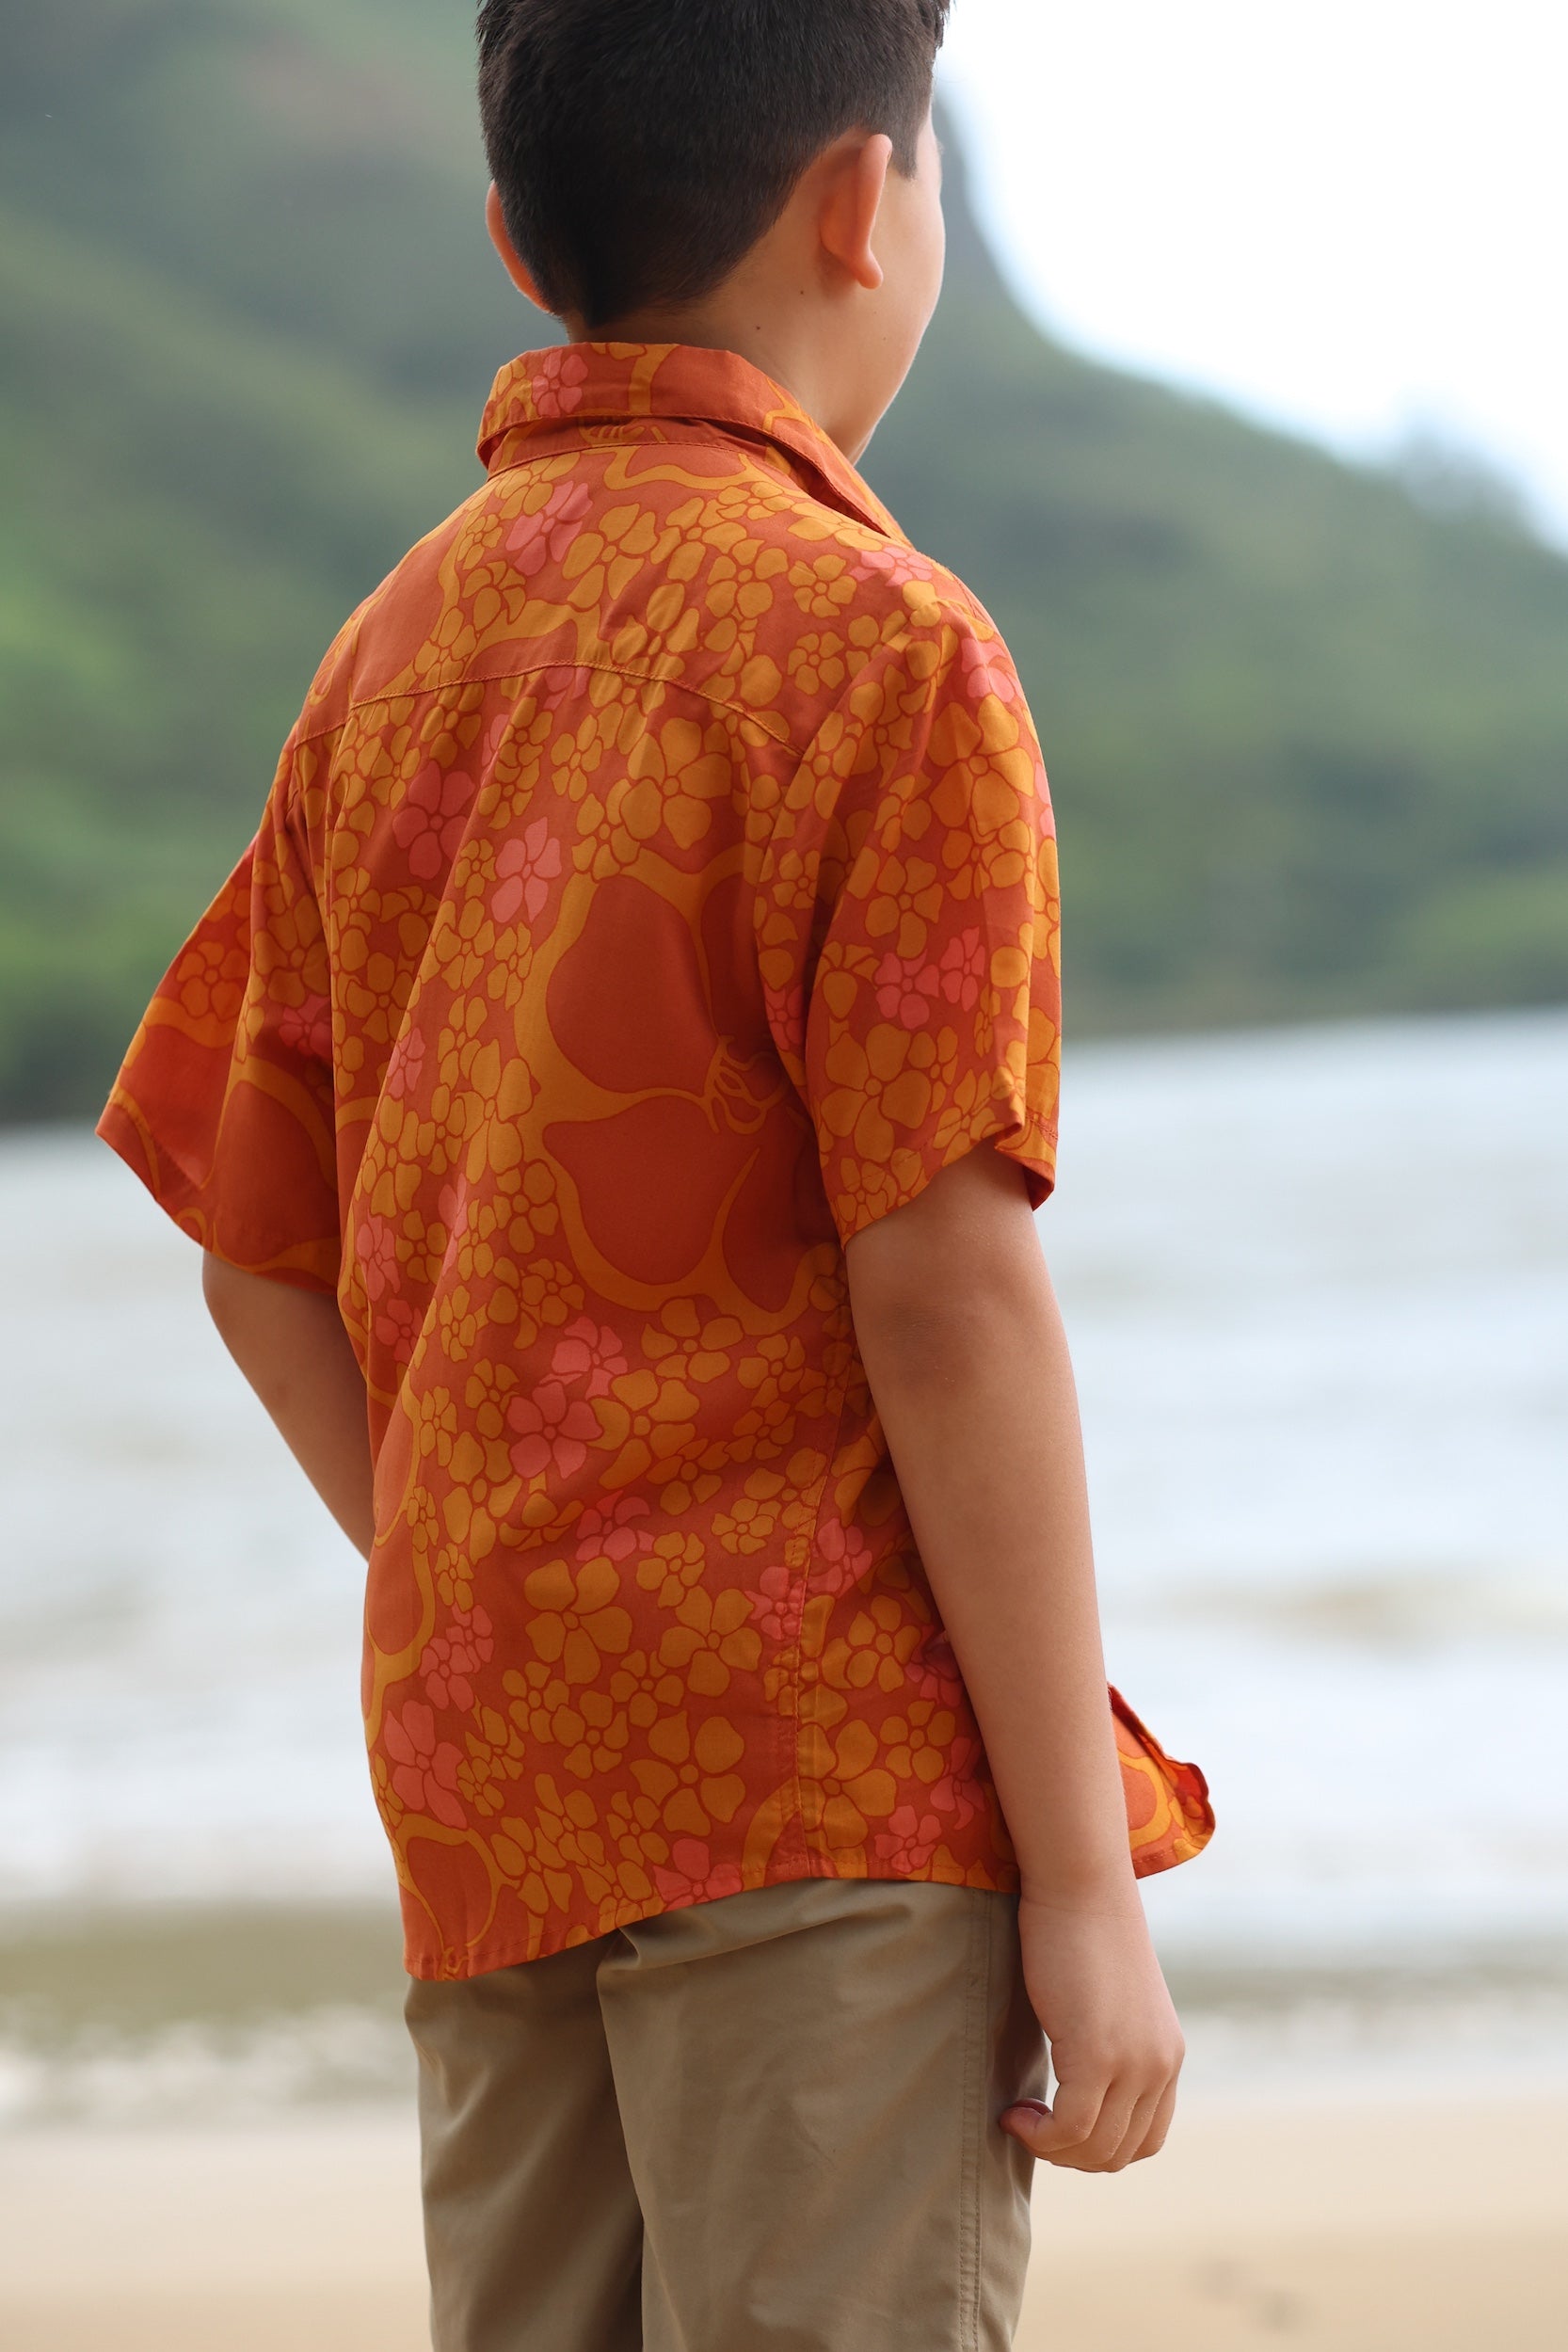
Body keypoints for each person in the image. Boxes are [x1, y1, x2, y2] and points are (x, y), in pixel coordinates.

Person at [100, 3, 1212, 2344]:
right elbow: (945, 1285)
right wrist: (1079, 1877)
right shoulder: (877, 645)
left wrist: (499, 1570)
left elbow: (250, 1250)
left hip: (494, 1768)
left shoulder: (388, 655)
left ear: (515, 236)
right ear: (860, 205)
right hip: (812, 1785)